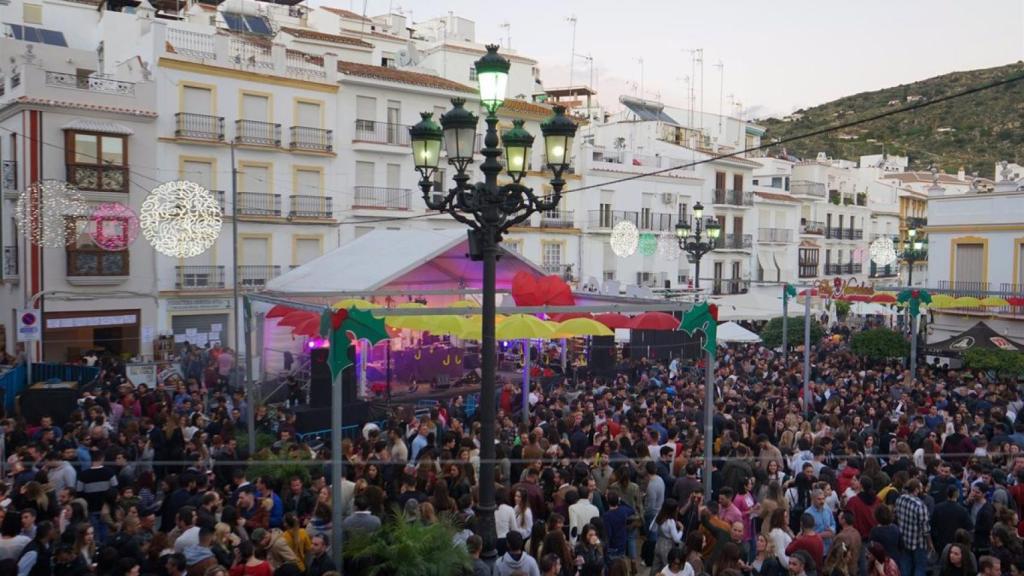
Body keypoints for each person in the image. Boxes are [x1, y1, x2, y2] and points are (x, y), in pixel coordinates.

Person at [893, 479, 931, 576]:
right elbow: (925, 530)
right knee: (920, 567)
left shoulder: (900, 499)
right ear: (916, 490)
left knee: (905, 565)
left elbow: (896, 516)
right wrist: (930, 544)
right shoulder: (920, 506)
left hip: (904, 539)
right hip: (918, 542)